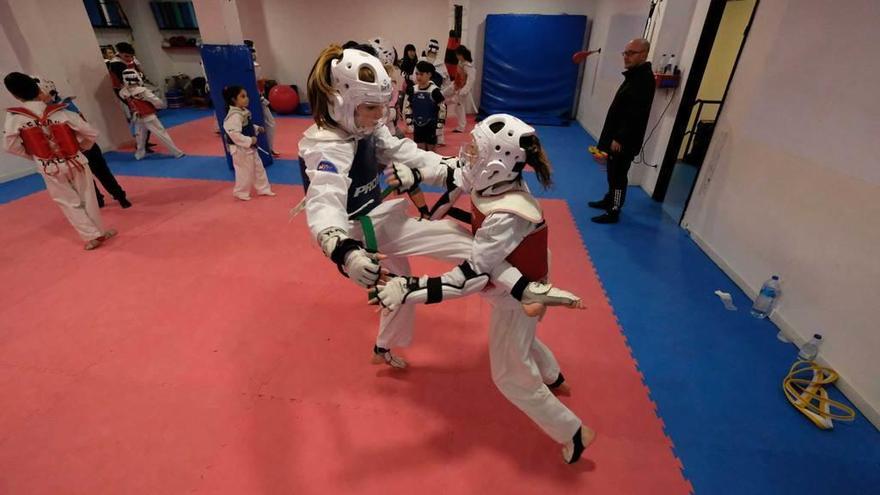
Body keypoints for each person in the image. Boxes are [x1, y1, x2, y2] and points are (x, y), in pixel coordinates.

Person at [374, 114, 595, 464]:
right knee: (522, 336)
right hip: (517, 271)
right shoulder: (491, 179)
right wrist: (414, 175)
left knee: (509, 374)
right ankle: (554, 376)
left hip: (517, 288)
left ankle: (573, 432)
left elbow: (467, 279)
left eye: (476, 151)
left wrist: (408, 287)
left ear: (496, 161)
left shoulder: (510, 213)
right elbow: (450, 171)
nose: (468, 156)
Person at [297, 45, 533, 369]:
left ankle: (382, 348)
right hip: (358, 232)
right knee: (471, 250)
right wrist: (344, 251)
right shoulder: (325, 146)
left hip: (378, 218)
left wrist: (450, 167)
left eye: (382, 106)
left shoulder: (364, 124)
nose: (379, 115)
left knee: (400, 285)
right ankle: (517, 301)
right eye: (371, 107)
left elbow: (402, 150)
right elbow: (324, 199)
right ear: (340, 102)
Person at [3, 72, 116, 250]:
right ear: (39, 89)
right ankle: (99, 232)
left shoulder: (15, 118)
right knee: (88, 196)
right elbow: (90, 132)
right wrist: (81, 147)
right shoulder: (61, 111)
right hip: (75, 160)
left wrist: (34, 155)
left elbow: (10, 146)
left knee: (67, 201)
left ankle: (91, 236)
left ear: (14, 95)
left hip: (48, 166)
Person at [32, 75, 131, 209]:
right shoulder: (40, 111)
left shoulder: (65, 104)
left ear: (47, 89)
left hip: (85, 145)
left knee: (102, 172)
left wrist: (85, 143)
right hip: (70, 150)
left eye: (38, 93)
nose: (37, 98)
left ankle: (120, 196)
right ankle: (98, 200)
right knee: (86, 178)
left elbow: (83, 125)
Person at [589, 38, 655, 224]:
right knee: (612, 172)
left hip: (624, 141)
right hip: (617, 137)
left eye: (631, 53)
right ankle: (608, 200)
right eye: (625, 53)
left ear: (643, 54)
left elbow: (635, 114)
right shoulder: (634, 76)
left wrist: (620, 138)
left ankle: (614, 209)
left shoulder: (643, 80)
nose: (626, 57)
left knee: (618, 176)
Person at [118, 69, 184, 160]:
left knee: (139, 137)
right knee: (161, 134)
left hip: (137, 117)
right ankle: (177, 152)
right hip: (148, 116)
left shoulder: (123, 92)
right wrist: (160, 106)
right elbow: (157, 102)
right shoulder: (143, 91)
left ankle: (139, 155)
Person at [222, 85, 275, 201]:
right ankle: (240, 192)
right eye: (242, 96)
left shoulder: (243, 112)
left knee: (258, 168)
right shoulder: (234, 116)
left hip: (250, 147)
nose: (246, 98)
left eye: (246, 96)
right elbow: (234, 134)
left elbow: (246, 127)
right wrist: (250, 140)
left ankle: (263, 188)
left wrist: (256, 128)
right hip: (239, 149)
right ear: (233, 100)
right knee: (244, 171)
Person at [244, 39, 279, 157]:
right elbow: (256, 84)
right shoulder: (253, 65)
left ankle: (267, 148)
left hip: (249, 98)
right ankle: (267, 149)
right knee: (267, 123)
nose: (255, 53)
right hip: (254, 98)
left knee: (260, 123)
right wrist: (261, 97)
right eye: (253, 49)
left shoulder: (248, 65)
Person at [403, 61, 446, 151]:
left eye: (421, 74)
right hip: (418, 126)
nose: (418, 77)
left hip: (431, 126)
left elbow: (442, 108)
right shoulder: (413, 90)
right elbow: (408, 106)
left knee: (431, 152)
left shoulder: (434, 91)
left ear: (429, 74)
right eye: (417, 74)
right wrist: (409, 121)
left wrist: (439, 126)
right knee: (420, 151)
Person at [420, 38, 451, 146]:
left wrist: (444, 93)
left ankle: (440, 138)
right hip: (424, 94)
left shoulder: (440, 64)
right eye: (431, 49)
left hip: (437, 93)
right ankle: (424, 137)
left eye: (435, 49)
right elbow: (416, 78)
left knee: (439, 116)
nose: (433, 51)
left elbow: (446, 80)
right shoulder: (421, 61)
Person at [451, 45, 476, 133]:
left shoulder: (468, 66)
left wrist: (464, 91)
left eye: (458, 54)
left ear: (462, 55)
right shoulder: (461, 63)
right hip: (457, 86)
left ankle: (461, 127)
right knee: (457, 107)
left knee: (459, 107)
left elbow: (470, 81)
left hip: (463, 89)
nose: (457, 56)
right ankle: (460, 126)